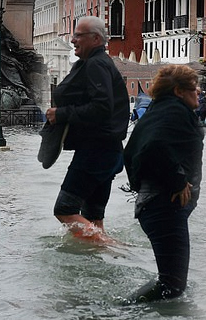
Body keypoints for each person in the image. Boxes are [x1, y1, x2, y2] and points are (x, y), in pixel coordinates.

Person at [123, 65, 204, 302]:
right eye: (193, 87)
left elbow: (130, 153)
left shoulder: (158, 111)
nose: (198, 91)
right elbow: (153, 147)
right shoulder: (175, 112)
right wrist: (177, 181)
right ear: (179, 91)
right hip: (163, 207)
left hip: (155, 205)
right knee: (172, 286)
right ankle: (115, 312)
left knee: (171, 283)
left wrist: (143, 185)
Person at [45, 16, 129, 243]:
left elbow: (101, 107)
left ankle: (114, 249)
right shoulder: (101, 62)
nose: (72, 40)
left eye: (78, 35)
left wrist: (60, 113)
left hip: (96, 152)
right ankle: (100, 259)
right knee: (93, 218)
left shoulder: (96, 64)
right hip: (108, 152)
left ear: (95, 38)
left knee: (64, 209)